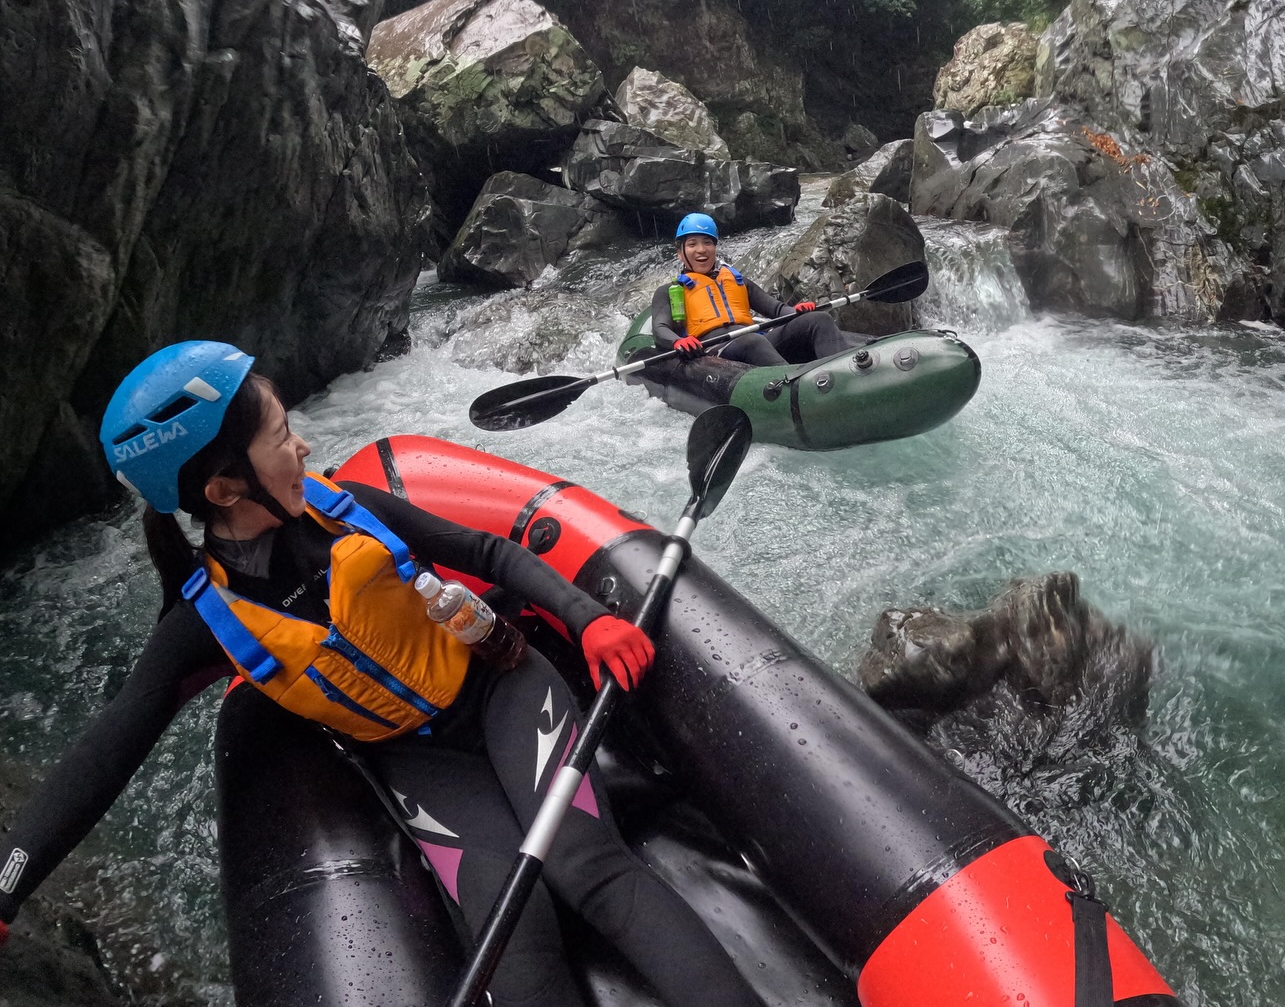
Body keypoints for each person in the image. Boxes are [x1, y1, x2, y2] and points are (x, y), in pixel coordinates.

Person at [0, 341, 761, 1007]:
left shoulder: (348, 506)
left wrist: (586, 615)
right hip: (417, 757)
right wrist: (7, 891)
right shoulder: (203, 621)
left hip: (501, 682)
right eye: (279, 437)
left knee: (584, 866)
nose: (301, 447)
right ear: (226, 489)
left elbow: (490, 555)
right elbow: (102, 756)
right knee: (509, 927)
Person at [651, 213, 863, 367]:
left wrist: (798, 312)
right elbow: (660, 329)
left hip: (756, 341)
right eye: (692, 244)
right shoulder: (671, 291)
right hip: (717, 350)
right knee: (751, 341)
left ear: (715, 247)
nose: (701, 249)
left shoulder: (738, 280)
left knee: (818, 319)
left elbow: (778, 311)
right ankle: (800, 387)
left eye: (708, 242)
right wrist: (678, 341)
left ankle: (846, 372)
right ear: (680, 253)